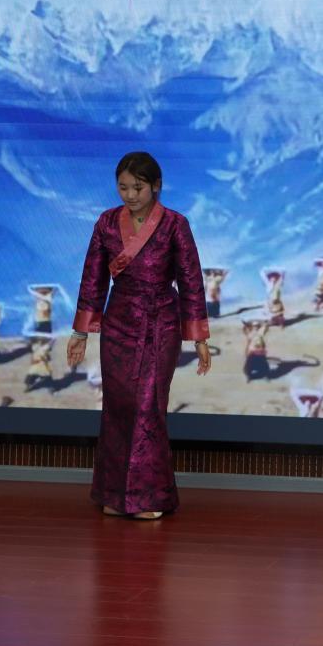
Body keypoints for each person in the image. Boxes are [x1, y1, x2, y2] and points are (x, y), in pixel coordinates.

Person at [67, 151, 211, 521]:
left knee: (148, 407)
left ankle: (148, 497)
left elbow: (191, 280)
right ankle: (115, 496)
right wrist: (81, 332)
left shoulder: (175, 224)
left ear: (156, 186)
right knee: (118, 407)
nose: (130, 195)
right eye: (123, 187)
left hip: (161, 323)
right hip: (118, 324)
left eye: (138, 187)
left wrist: (198, 337)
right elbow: (93, 277)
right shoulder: (106, 223)